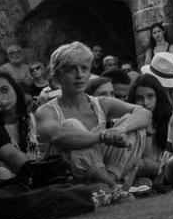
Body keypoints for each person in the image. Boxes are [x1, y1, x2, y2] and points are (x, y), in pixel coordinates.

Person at [34, 41, 149, 195]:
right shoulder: (46, 110)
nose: (79, 75)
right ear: (58, 75)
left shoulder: (100, 103)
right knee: (72, 125)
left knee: (134, 124)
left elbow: (144, 113)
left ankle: (111, 186)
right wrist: (102, 136)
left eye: (84, 68)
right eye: (71, 70)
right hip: (63, 180)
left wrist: (121, 129)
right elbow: (56, 135)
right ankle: (114, 188)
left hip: (99, 176)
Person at [126, 70, 173, 183]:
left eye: (150, 96)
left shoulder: (169, 118)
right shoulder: (128, 121)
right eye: (139, 98)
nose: (145, 102)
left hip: (168, 168)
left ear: (158, 96)